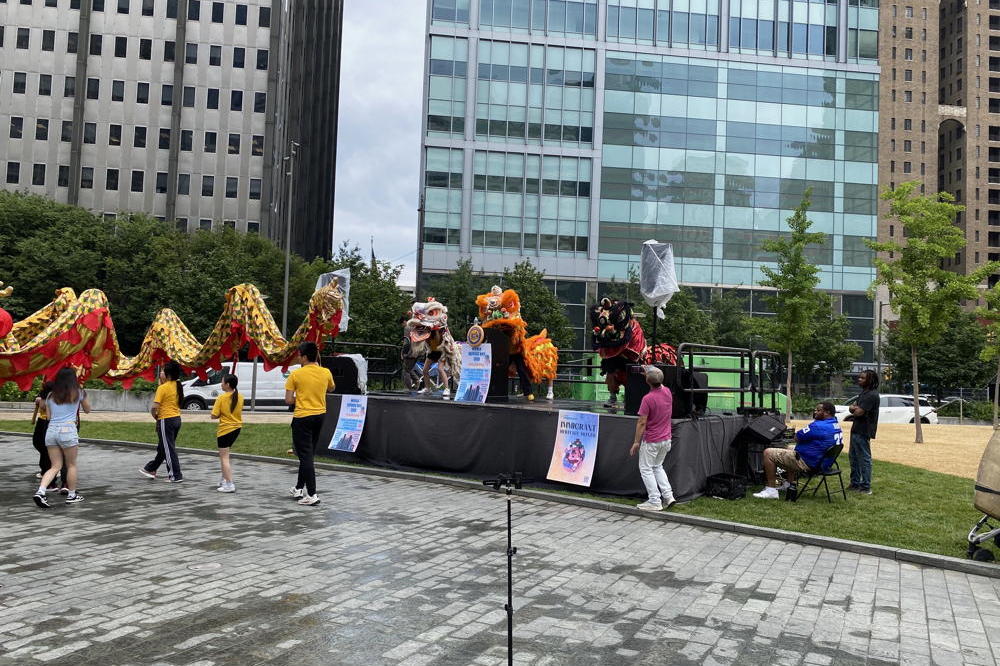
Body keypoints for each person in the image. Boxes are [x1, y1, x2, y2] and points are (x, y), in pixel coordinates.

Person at [753, 402, 842, 499]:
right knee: (790, 448)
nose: (815, 412)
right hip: (825, 463)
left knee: (768, 452)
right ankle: (789, 484)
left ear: (827, 412)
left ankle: (771, 490)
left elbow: (797, 437)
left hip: (810, 464)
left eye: (818, 410)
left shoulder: (817, 426)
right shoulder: (835, 424)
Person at [285, 341, 335, 506]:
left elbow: (288, 400)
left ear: (305, 357)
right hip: (320, 415)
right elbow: (331, 388)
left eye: (299, 355)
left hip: (302, 418)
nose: (298, 358)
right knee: (308, 453)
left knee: (304, 455)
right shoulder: (325, 372)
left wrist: (300, 397)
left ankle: (312, 494)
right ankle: (299, 488)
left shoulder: (296, 375)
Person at [33, 368, 91, 508]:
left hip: (51, 430)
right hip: (68, 429)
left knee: (55, 466)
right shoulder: (79, 393)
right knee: (71, 465)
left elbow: (49, 416)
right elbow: (88, 410)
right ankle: (72, 495)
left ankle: (41, 491)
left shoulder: (51, 395)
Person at [629, 366, 676, 511]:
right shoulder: (667, 392)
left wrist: (636, 442)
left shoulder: (648, 398)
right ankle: (668, 496)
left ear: (647, 381)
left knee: (646, 469)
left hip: (652, 440)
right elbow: (656, 378)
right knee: (657, 466)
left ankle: (655, 500)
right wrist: (648, 371)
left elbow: (642, 422)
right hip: (666, 438)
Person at [140, 360, 184, 482]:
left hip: (166, 420)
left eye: (163, 371)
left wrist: (155, 415)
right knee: (163, 448)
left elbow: (154, 407)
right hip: (176, 419)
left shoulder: (163, 388)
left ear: (168, 374)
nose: (161, 373)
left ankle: (175, 475)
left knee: (169, 449)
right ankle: (151, 468)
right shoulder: (177, 385)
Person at [847, 369, 880, 494]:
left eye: (862, 378)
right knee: (853, 457)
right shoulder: (863, 393)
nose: (859, 379)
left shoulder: (872, 395)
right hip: (856, 429)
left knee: (864, 459)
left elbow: (858, 412)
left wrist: (855, 409)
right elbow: (852, 408)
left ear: (870, 380)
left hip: (863, 430)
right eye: (859, 377)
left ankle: (866, 487)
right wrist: (854, 408)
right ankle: (855, 483)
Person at [210, 373, 243, 493]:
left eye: (222, 382)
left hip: (225, 430)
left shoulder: (221, 398)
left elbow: (213, 415)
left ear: (227, 384)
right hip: (236, 428)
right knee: (225, 456)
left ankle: (229, 484)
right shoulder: (240, 397)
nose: (221, 384)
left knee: (224, 458)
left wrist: (220, 414)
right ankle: (224, 479)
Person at [31, 381, 65, 492]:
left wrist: (40, 400)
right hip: (46, 422)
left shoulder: (50, 394)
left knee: (46, 448)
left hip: (48, 422)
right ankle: (51, 472)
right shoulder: (56, 393)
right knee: (42, 446)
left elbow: (43, 406)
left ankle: (51, 474)